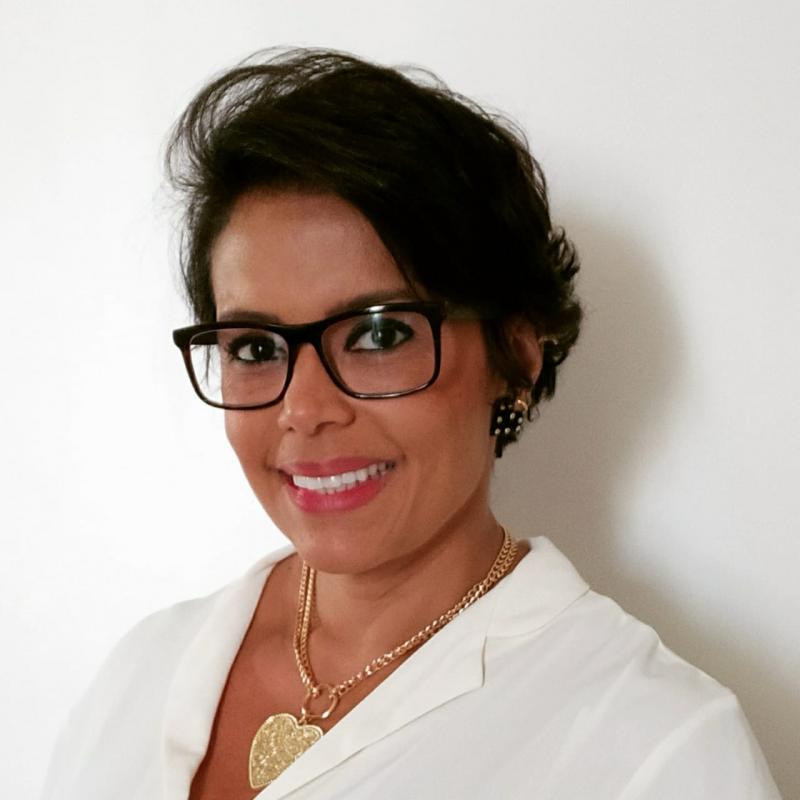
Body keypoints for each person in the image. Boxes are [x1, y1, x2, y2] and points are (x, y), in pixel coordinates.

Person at [42, 48, 781, 800]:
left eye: (378, 334)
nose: (305, 411)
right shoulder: (143, 671)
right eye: (256, 348)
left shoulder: (654, 749)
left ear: (515, 359)